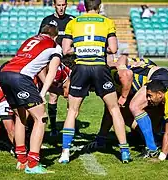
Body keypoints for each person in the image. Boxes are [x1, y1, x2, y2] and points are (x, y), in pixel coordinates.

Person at [58, 0, 131, 164]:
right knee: (114, 109)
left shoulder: (73, 22)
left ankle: (65, 153)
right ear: (99, 7)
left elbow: (65, 50)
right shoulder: (107, 22)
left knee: (72, 111)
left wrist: (82, 48)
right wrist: (97, 48)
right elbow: (113, 49)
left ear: (84, 6)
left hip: (81, 68)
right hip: (99, 68)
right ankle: (125, 151)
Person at [0, 24, 62, 174]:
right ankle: (32, 164)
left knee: (21, 116)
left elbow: (38, 66)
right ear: (55, 36)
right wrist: (43, 93)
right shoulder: (54, 45)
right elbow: (52, 72)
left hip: (5, 73)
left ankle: (21, 160)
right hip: (21, 77)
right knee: (41, 118)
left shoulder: (30, 40)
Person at [39, 0, 75, 136]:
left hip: (70, 62)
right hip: (54, 61)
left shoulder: (72, 20)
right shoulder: (47, 20)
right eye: (58, 5)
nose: (61, 8)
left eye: (63, 5)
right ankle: (53, 128)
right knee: (53, 95)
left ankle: (69, 126)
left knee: (70, 95)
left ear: (66, 5)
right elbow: (41, 39)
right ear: (54, 5)